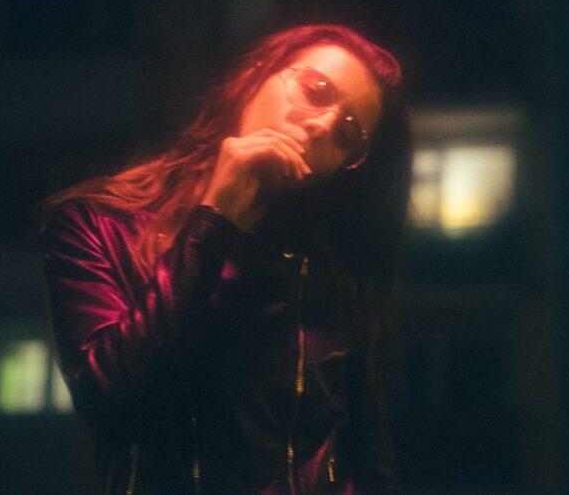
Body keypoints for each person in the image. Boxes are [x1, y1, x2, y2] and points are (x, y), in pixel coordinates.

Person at [37, 25, 412, 494]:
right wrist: (215, 219)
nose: (320, 125)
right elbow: (112, 405)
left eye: (348, 133)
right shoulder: (98, 223)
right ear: (257, 76)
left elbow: (372, 461)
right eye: (315, 91)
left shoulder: (332, 265)